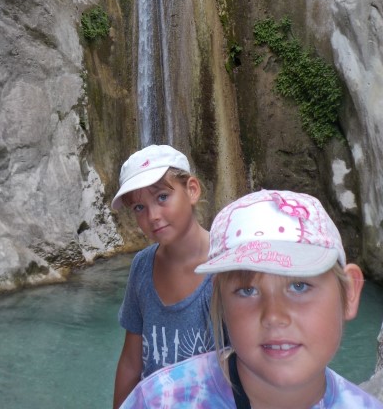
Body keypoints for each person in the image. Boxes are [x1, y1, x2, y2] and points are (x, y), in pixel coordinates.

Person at [119, 188, 383, 409]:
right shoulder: (159, 401)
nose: (274, 316)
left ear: (349, 293)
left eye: (299, 286)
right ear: (220, 300)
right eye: (247, 290)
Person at [112, 144, 215, 409]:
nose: (153, 216)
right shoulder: (142, 266)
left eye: (162, 197)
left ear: (192, 190)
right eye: (139, 207)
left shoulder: (225, 266)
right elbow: (131, 362)